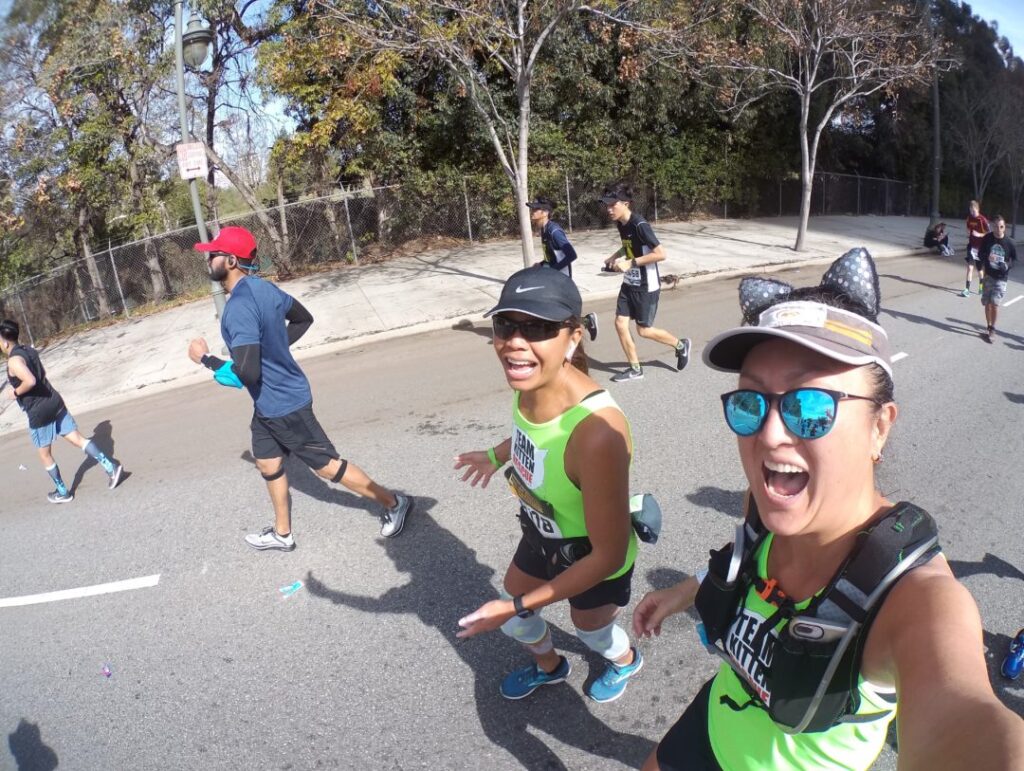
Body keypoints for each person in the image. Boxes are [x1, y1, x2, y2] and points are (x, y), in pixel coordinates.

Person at [632, 248, 1024, 770]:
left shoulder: (915, 600)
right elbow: (739, 559)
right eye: (751, 402)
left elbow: (966, 718)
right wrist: (683, 593)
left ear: (879, 427)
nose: (771, 435)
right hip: (713, 722)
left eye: (811, 405)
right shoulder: (766, 505)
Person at [454, 265, 644, 703]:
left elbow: (609, 552)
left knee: (590, 629)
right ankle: (551, 667)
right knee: (518, 618)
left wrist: (516, 604)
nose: (515, 342)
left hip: (592, 554)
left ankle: (625, 659)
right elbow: (532, 432)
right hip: (541, 533)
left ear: (573, 336)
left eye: (537, 328)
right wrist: (494, 455)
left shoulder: (597, 432)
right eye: (505, 325)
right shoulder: (530, 381)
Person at [186, 226, 412, 550]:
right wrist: (274, 347)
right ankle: (282, 534)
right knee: (267, 462)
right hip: (267, 405)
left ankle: (394, 502)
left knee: (326, 467)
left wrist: (205, 359)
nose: (208, 259)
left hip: (284, 404)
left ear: (232, 261)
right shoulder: (266, 290)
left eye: (214, 254)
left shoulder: (238, 309)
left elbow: (247, 374)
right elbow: (304, 319)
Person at [1, 318, 122, 502]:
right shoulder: (29, 350)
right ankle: (111, 467)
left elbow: (31, 381)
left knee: (44, 454)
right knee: (77, 438)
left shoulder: (14, 361)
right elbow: (43, 374)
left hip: (39, 412)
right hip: (54, 401)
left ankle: (63, 492)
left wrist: (15, 392)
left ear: (5, 341)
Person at [599, 183, 690, 382]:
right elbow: (628, 246)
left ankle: (680, 345)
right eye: (607, 205)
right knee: (620, 323)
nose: (609, 209)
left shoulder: (640, 225)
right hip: (629, 283)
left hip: (646, 286)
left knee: (644, 331)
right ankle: (635, 368)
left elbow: (660, 254)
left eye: (612, 205)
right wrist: (614, 257)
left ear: (625, 203)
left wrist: (630, 263)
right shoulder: (621, 224)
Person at [526, 196, 598, 341]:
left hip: (560, 278)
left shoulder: (554, 232)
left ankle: (582, 324)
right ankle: (582, 323)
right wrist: (541, 263)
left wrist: (554, 270)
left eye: (535, 209)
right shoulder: (544, 229)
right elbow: (553, 256)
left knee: (555, 311)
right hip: (552, 275)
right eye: (532, 209)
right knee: (555, 311)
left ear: (545, 213)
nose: (532, 212)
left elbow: (571, 254)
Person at [977, 214, 1017, 343]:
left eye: (1001, 227)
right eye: (996, 226)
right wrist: (986, 258)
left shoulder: (1010, 242)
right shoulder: (987, 238)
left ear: (1004, 227)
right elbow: (980, 253)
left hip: (1001, 278)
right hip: (989, 275)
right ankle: (988, 326)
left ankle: (993, 328)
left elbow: (1014, 260)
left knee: (994, 303)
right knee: (987, 304)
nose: (998, 229)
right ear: (993, 226)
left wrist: (1007, 265)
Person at [961, 200, 989, 297]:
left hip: (980, 248)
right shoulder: (969, 218)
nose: (972, 213)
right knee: (970, 267)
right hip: (971, 246)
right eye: (970, 211)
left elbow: (988, 234)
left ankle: (981, 286)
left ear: (977, 209)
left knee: (980, 270)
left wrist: (980, 234)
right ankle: (967, 290)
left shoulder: (982, 220)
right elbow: (968, 228)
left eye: (973, 211)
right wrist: (968, 232)